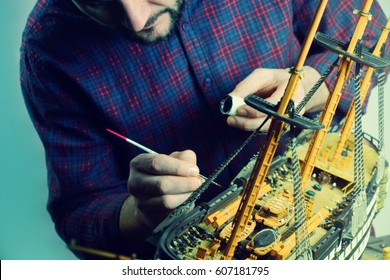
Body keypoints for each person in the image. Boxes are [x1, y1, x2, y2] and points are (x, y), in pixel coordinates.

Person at [20, 0, 388, 259]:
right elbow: (77, 215)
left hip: (329, 223)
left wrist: (314, 87)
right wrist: (138, 213)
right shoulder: (48, 48)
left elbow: (376, 42)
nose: (135, 19)